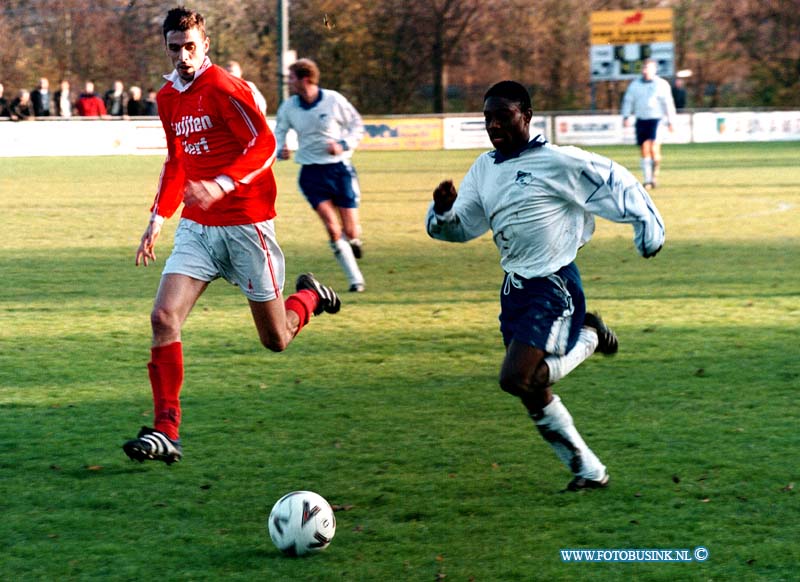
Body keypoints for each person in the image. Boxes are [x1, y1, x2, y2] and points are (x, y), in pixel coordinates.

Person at [123, 7, 341, 465]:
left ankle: (309, 298)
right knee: (164, 317)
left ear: (205, 46)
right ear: (165, 48)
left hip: (246, 225)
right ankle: (166, 429)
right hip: (198, 228)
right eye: (174, 48)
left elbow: (264, 145)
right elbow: (176, 161)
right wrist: (158, 218)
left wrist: (222, 183)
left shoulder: (224, 87)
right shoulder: (168, 97)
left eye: (190, 47)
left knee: (276, 339)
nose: (182, 56)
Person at [426, 80, 664, 491]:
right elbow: (461, 227)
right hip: (515, 291)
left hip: (553, 286)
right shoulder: (485, 168)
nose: (494, 125)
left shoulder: (557, 161)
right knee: (533, 391)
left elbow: (615, 181)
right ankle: (589, 471)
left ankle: (589, 336)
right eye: (487, 118)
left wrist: (649, 228)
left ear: (527, 116)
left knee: (516, 379)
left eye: (503, 116)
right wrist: (444, 211)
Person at [274, 58, 366, 293]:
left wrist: (343, 144)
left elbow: (357, 124)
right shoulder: (290, 106)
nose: (289, 82)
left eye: (292, 78)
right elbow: (280, 131)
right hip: (311, 174)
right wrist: (280, 148)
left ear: (305, 79)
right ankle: (356, 280)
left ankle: (354, 241)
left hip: (339, 170)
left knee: (351, 230)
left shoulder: (333, 100)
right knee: (333, 228)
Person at [620, 58, 677, 189]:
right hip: (641, 120)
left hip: (656, 120)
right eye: (644, 68)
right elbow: (628, 101)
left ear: (654, 70)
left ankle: (654, 176)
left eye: (649, 68)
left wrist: (671, 121)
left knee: (653, 150)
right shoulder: (635, 85)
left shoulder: (661, 84)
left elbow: (668, 103)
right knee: (644, 149)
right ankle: (647, 180)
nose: (646, 71)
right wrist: (626, 116)